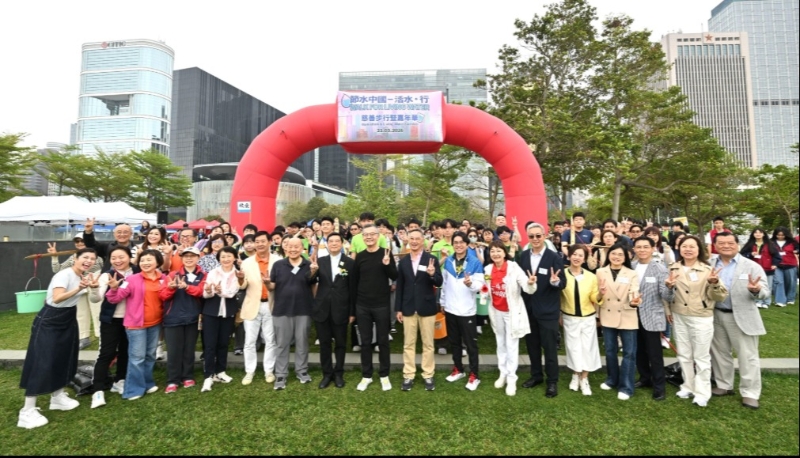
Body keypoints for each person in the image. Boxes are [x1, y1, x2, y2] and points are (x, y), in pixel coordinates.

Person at [18, 248, 99, 429]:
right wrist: (79, 289)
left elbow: (93, 298)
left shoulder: (83, 276)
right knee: (42, 362)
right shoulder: (65, 274)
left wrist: (91, 288)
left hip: (68, 317)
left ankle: (57, 397)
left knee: (65, 357)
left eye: (92, 259)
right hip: (50, 320)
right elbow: (56, 298)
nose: (89, 261)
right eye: (85, 257)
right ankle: (27, 410)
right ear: (75, 258)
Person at [709, 232, 770, 409]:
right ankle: (724, 384)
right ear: (715, 245)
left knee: (747, 356)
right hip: (716, 314)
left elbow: (766, 292)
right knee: (720, 353)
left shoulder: (751, 266)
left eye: (730, 243)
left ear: (737, 244)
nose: (726, 246)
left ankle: (750, 392)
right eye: (721, 243)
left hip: (742, 316)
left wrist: (755, 290)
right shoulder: (709, 264)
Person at [665, 235, 728, 407]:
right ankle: (688, 385)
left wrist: (714, 283)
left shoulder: (707, 270)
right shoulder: (673, 268)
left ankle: (702, 392)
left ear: (699, 249)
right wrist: (668, 309)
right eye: (684, 246)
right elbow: (666, 293)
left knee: (701, 356)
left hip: (700, 316)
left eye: (692, 246)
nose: (688, 249)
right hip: (679, 315)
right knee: (684, 354)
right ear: (679, 248)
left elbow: (720, 296)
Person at [105, 249, 168, 400]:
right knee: (137, 358)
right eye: (142, 260)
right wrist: (113, 288)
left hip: (155, 323)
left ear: (158, 262)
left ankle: (147, 383)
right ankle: (133, 390)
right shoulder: (132, 279)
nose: (145, 263)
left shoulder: (163, 278)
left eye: (149, 260)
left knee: (150, 355)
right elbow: (114, 299)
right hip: (136, 324)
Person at [519, 223, 567, 398]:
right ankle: (536, 376)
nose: (535, 239)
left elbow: (563, 283)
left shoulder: (554, 257)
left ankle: (552, 381)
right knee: (532, 346)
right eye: (531, 236)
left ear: (545, 236)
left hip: (548, 311)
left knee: (550, 348)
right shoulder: (523, 256)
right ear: (528, 237)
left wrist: (555, 281)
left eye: (538, 235)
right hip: (529, 309)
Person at [87, 246, 138, 409]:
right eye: (114, 258)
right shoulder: (106, 275)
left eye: (121, 257)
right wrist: (94, 289)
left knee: (125, 351)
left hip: (131, 320)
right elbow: (96, 299)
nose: (118, 260)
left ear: (129, 257)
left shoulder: (137, 273)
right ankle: (98, 390)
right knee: (107, 353)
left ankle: (120, 380)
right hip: (111, 320)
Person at [350, 224, 398, 391]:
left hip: (381, 304)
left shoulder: (386, 253)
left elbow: (394, 275)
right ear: (362, 237)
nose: (369, 237)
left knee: (383, 341)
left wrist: (387, 264)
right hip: (362, 304)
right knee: (365, 342)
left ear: (378, 236)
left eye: (372, 234)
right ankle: (367, 375)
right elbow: (354, 281)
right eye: (366, 235)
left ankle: (384, 375)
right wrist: (354, 307)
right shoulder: (360, 256)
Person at [485, 241, 537, 396]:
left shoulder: (513, 268)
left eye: (498, 251)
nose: (495, 254)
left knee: (511, 345)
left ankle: (512, 378)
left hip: (512, 312)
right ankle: (503, 373)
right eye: (492, 251)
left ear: (504, 252)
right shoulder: (488, 269)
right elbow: (485, 287)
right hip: (496, 311)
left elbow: (527, 287)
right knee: (500, 343)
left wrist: (530, 283)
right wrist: (478, 288)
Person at [395, 228, 444, 391]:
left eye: (417, 238)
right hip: (408, 307)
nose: (414, 241)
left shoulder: (431, 259)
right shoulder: (403, 262)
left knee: (428, 344)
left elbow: (439, 282)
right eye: (412, 238)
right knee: (408, 344)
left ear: (423, 240)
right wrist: (398, 309)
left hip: (427, 307)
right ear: (408, 240)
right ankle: (408, 374)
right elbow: (400, 287)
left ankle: (428, 374)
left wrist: (432, 274)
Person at [595, 243, 642, 401]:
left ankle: (626, 387)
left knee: (629, 352)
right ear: (608, 255)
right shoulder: (600, 272)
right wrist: (600, 294)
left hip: (627, 314)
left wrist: (634, 300)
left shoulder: (631, 273)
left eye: (620, 254)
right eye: (613, 253)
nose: (616, 257)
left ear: (626, 257)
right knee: (610, 350)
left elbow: (634, 291)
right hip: (608, 314)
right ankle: (612, 379)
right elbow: (596, 296)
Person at [267, 238, 316, 390]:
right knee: (282, 344)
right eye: (290, 247)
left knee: (302, 342)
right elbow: (272, 286)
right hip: (282, 309)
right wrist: (266, 282)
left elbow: (313, 285)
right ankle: (281, 374)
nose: (293, 249)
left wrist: (314, 272)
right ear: (285, 248)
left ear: (302, 248)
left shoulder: (309, 265)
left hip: (304, 309)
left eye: (296, 247)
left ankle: (302, 371)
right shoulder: (278, 265)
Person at [440, 232, 485, 391]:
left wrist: (470, 283)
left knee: (471, 345)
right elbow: (445, 284)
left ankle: (474, 374)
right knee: (454, 342)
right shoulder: (448, 261)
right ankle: (458, 369)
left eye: (461, 242)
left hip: (467, 310)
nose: (458, 245)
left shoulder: (474, 262)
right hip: (451, 309)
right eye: (456, 242)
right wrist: (443, 302)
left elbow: (480, 284)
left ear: (466, 244)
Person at [631, 236, 673, 401]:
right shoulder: (631, 267)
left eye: (645, 247)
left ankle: (659, 386)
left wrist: (669, 287)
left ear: (653, 248)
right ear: (634, 249)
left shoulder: (660, 269)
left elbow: (666, 296)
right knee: (639, 350)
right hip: (633, 315)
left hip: (652, 316)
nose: (642, 250)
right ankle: (644, 378)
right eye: (638, 247)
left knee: (655, 354)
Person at [310, 232, 355, 389]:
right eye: (331, 241)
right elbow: (309, 281)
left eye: (337, 241)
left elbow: (352, 288)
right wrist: (312, 271)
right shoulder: (320, 261)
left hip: (341, 309)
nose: (334, 243)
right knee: (324, 344)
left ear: (342, 244)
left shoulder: (349, 263)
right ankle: (327, 374)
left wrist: (352, 312)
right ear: (327, 244)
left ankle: (339, 374)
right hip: (322, 308)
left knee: (341, 344)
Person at [159, 247, 206, 394]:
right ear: (181, 258)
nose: (189, 259)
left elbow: (201, 291)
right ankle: (173, 380)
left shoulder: (203, 275)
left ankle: (187, 376)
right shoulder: (173, 274)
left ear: (198, 258)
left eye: (192, 256)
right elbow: (162, 295)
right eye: (186, 256)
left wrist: (187, 287)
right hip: (173, 318)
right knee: (174, 350)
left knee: (189, 349)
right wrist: (171, 288)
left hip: (193, 318)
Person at [559, 245, 601, 396]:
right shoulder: (562, 274)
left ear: (585, 259)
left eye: (580, 255)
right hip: (569, 317)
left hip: (587, 317)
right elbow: (558, 296)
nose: (577, 257)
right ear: (569, 256)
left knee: (588, 348)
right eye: (574, 254)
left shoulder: (591, 276)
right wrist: (559, 315)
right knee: (573, 348)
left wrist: (601, 294)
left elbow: (594, 297)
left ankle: (584, 378)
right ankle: (575, 375)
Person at [239, 231, 281, 385]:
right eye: (257, 241)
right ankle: (249, 371)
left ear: (269, 242)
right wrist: (240, 279)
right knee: (249, 341)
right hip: (252, 305)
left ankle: (268, 370)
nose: (260, 244)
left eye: (263, 241)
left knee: (270, 340)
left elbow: (281, 284)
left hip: (271, 304)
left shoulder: (278, 261)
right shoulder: (247, 262)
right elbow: (243, 285)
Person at [200, 246, 244, 392]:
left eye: (229, 256)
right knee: (210, 345)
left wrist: (219, 291)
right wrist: (209, 291)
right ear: (218, 258)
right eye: (223, 256)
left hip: (228, 312)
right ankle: (208, 375)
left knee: (224, 343)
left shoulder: (238, 274)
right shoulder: (213, 272)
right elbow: (206, 294)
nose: (226, 259)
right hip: (211, 312)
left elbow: (232, 293)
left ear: (234, 257)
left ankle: (220, 371)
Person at [48, 235, 104, 350]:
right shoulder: (74, 257)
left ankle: (101, 337)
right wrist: (54, 256)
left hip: (94, 286)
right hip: (79, 287)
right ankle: (83, 337)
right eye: (77, 241)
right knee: (81, 313)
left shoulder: (96, 257)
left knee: (98, 312)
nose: (79, 243)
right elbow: (58, 270)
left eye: (82, 240)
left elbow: (96, 269)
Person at [739, 228, 781, 308]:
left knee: (768, 286)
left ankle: (766, 302)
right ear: (753, 234)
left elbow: (777, 256)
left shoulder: (770, 244)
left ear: (763, 234)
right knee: (756, 285)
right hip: (754, 269)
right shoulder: (749, 244)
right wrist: (750, 254)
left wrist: (774, 264)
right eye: (756, 233)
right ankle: (758, 301)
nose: (758, 234)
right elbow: (742, 255)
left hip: (768, 269)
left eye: (760, 232)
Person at [771, 227, 798, 307]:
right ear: (775, 235)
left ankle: (790, 298)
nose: (780, 237)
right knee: (778, 282)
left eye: (782, 235)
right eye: (778, 235)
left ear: (786, 235)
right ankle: (780, 300)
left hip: (790, 265)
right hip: (777, 265)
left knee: (790, 282)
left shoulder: (792, 242)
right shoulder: (771, 242)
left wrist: (796, 251)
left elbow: (798, 248)